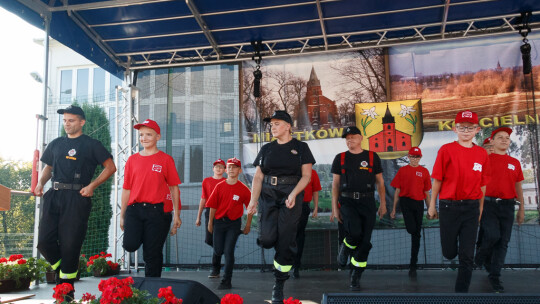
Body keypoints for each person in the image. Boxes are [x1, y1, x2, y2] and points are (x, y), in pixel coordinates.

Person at [35, 105, 116, 300]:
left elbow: (110, 167)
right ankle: (66, 271)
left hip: (77, 198)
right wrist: (39, 184)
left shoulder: (91, 144)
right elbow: (48, 167)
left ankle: (66, 293)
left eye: (71, 120)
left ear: (82, 122)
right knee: (44, 242)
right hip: (53, 196)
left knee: (70, 245)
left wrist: (92, 186)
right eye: (64, 120)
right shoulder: (55, 144)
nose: (67, 124)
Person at [247, 110, 315, 304]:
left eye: (276, 123)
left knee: (286, 241)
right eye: (271, 124)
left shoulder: (301, 147)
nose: (272, 127)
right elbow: (258, 177)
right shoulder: (267, 148)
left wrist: (293, 193)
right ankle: (277, 242)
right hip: (268, 194)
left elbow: (306, 176)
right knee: (267, 240)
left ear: (287, 126)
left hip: (291, 194)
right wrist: (253, 200)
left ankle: (279, 283)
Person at [428, 110, 490, 293]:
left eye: (470, 127)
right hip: (449, 206)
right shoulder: (446, 150)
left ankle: (461, 294)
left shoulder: (481, 154)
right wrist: (432, 205)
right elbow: (437, 179)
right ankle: (451, 251)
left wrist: (480, 208)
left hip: (471, 208)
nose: (466, 130)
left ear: (477, 129)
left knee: (467, 256)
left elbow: (483, 185)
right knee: (449, 252)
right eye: (462, 127)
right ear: (455, 129)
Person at [121, 119, 181, 277]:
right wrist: (122, 215)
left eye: (149, 134)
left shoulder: (166, 159)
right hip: (134, 210)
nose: (144, 138)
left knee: (152, 254)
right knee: (129, 244)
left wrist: (177, 214)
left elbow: (174, 188)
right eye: (141, 135)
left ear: (158, 137)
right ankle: (147, 237)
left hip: (157, 212)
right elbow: (126, 189)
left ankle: (153, 288)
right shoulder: (132, 160)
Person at [331, 126, 387, 290]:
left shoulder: (372, 156)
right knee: (354, 233)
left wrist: (383, 203)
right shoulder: (339, 158)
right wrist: (335, 208)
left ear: (361, 138)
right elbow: (335, 184)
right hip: (347, 202)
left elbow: (380, 182)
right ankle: (346, 247)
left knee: (365, 243)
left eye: (353, 137)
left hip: (368, 202)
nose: (350, 140)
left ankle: (356, 275)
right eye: (347, 138)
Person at [474, 127, 525, 292]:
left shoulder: (515, 163)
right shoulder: (484, 160)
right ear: (492, 141)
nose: (504, 140)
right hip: (489, 204)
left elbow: (518, 187)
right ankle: (480, 255)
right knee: (492, 235)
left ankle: (494, 277)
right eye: (500, 137)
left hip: (508, 206)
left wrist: (521, 208)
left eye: (507, 138)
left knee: (503, 243)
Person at [207, 158, 253, 290]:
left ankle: (226, 281)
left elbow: (250, 208)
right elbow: (212, 206)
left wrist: (248, 225)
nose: (231, 169)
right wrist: (210, 223)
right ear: (226, 170)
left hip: (234, 224)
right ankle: (216, 268)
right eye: (229, 167)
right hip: (219, 223)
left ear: (239, 170)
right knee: (218, 250)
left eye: (235, 167)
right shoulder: (219, 186)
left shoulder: (244, 189)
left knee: (228, 252)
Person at [390, 147, 432, 278]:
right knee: (412, 229)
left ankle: (413, 265)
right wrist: (393, 209)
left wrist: (430, 209)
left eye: (417, 157)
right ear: (408, 157)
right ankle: (413, 232)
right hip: (406, 202)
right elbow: (397, 191)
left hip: (418, 203)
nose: (415, 159)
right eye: (413, 157)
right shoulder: (402, 171)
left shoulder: (424, 171)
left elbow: (426, 193)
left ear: (420, 157)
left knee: (416, 235)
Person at [195, 159, 226, 278]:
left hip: (222, 213)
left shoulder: (227, 181)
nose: (218, 168)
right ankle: (221, 248)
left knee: (217, 240)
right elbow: (203, 198)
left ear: (224, 170)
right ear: (213, 169)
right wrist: (198, 217)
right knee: (209, 239)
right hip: (209, 212)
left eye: (221, 166)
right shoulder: (207, 181)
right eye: (216, 166)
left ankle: (215, 269)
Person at [292, 168, 322, 279]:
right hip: (288, 206)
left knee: (300, 235)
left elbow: (315, 190)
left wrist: (315, 208)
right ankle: (284, 263)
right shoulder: (290, 170)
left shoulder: (312, 172)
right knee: (287, 234)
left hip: (303, 206)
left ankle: (296, 266)